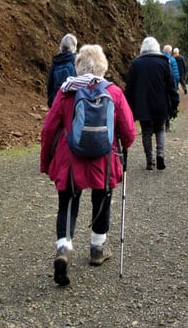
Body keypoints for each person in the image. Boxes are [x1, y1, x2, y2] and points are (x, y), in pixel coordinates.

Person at [40, 44, 136, 286]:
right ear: (103, 66)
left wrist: (46, 162)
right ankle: (97, 249)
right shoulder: (114, 92)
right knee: (102, 200)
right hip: (104, 160)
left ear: (78, 67)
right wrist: (122, 146)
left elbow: (49, 129)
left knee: (68, 204)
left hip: (70, 159)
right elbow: (129, 132)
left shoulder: (66, 92)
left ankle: (63, 248)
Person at [125, 37, 180, 170]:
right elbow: (171, 85)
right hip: (161, 103)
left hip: (142, 104)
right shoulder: (164, 62)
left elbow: (129, 88)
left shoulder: (136, 64)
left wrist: (129, 107)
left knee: (146, 132)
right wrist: (174, 103)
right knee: (160, 128)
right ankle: (160, 155)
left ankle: (150, 161)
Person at [46, 33, 77, 108]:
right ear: (74, 46)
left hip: (57, 100)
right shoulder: (76, 61)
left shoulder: (56, 61)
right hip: (71, 102)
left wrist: (51, 101)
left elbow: (50, 83)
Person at [162, 45, 180, 131]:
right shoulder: (172, 60)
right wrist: (176, 84)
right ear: (170, 51)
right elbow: (175, 74)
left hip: (160, 85)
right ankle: (167, 123)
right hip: (169, 84)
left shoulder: (159, 59)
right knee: (169, 103)